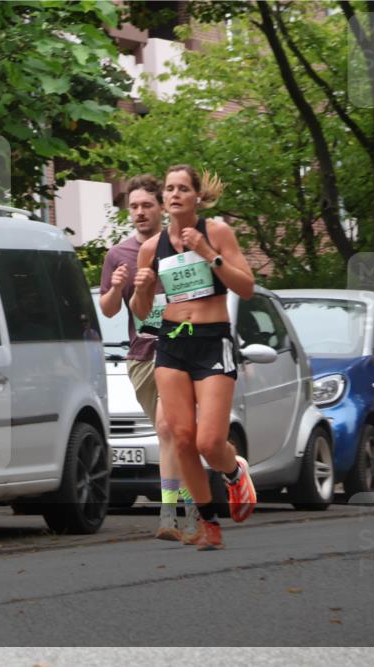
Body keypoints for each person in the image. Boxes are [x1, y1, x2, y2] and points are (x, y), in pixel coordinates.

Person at [130, 165, 257, 551]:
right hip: (172, 342)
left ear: (197, 197)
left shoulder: (216, 232)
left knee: (208, 442)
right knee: (181, 439)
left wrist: (208, 254)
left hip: (211, 340)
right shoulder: (151, 249)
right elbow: (140, 311)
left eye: (183, 188)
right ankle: (208, 524)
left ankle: (234, 471)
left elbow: (247, 288)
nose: (175, 194)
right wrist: (142, 289)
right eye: (169, 188)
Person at [99, 174, 199, 542]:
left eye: (146, 206)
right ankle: (223, 478)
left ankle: (173, 515)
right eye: (134, 207)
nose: (140, 213)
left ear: (161, 207)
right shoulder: (119, 255)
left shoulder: (181, 247)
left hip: (179, 349)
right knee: (175, 435)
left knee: (167, 428)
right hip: (141, 355)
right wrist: (114, 286)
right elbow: (108, 310)